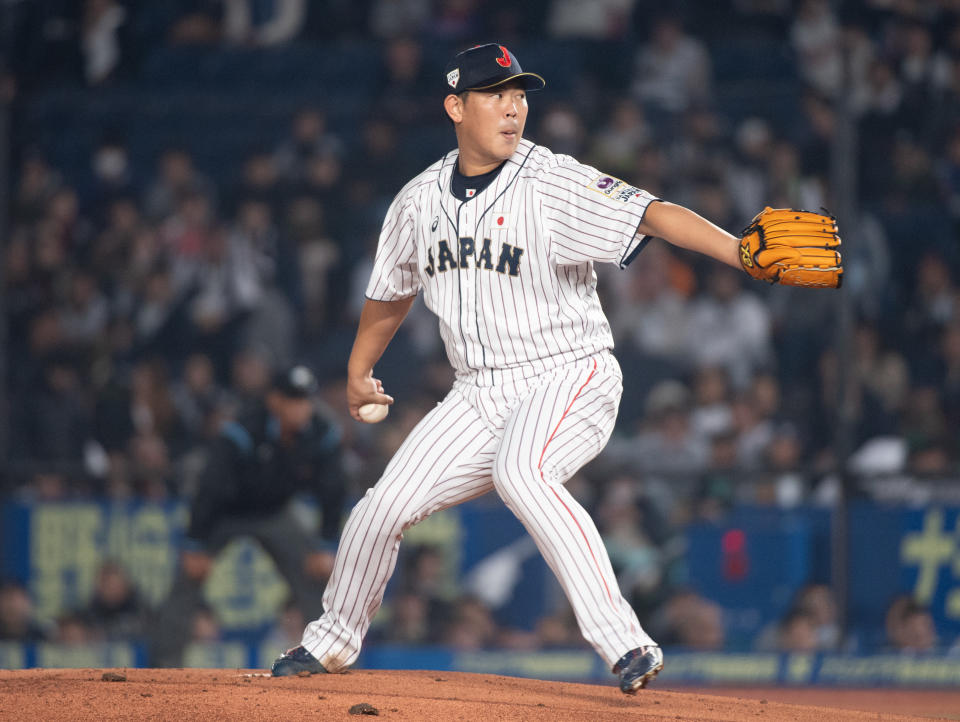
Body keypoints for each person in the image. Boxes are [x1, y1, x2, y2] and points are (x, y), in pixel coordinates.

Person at [271, 43, 838, 694]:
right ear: (456, 106)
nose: (514, 108)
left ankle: (624, 642)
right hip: (477, 393)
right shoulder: (418, 200)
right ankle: (332, 642)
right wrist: (357, 370)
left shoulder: (552, 181)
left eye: (520, 95)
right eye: (496, 95)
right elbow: (390, 291)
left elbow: (652, 213)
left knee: (521, 472)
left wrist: (737, 250)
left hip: (568, 373)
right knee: (380, 508)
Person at [151, 364, 346, 666]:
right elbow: (211, 488)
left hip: (276, 512)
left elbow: (333, 488)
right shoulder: (244, 429)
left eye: (306, 399)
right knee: (188, 577)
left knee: (316, 576)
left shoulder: (320, 432)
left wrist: (325, 544)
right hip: (226, 514)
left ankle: (329, 658)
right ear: (275, 401)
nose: (302, 407)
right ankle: (163, 665)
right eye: (294, 399)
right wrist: (196, 543)